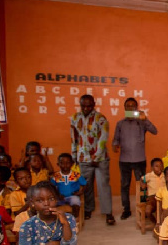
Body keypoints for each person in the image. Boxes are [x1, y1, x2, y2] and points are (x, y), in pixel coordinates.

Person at [70, 94, 115, 224]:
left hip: (100, 159)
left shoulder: (100, 118)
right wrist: (74, 156)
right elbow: (74, 138)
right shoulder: (74, 118)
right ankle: (88, 209)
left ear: (94, 104)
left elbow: (103, 138)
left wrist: (97, 156)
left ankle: (108, 213)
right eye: (83, 106)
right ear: (80, 105)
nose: (86, 108)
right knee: (86, 186)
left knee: (103, 186)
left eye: (89, 105)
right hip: (83, 158)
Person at [112, 97, 158, 221]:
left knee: (143, 186)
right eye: (128, 106)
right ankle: (126, 209)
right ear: (124, 108)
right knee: (125, 185)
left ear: (136, 108)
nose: (130, 108)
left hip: (139, 160)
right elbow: (116, 139)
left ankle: (144, 208)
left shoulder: (142, 122)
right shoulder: (120, 124)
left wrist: (145, 119)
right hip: (124, 160)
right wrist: (115, 145)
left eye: (133, 106)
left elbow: (155, 131)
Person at [51, 153, 86, 222]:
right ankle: (54, 219)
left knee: (76, 201)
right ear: (58, 164)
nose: (65, 165)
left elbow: (84, 184)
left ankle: (75, 218)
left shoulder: (76, 175)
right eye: (62, 163)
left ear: (72, 164)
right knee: (51, 204)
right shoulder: (56, 176)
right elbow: (51, 186)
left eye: (67, 163)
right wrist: (57, 195)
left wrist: (80, 192)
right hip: (60, 197)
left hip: (72, 196)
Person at [140, 158, 165, 224]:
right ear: (152, 168)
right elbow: (142, 179)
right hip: (152, 197)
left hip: (163, 197)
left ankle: (160, 225)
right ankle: (156, 224)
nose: (159, 168)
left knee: (160, 211)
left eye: (161, 165)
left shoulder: (165, 175)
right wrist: (143, 185)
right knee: (148, 211)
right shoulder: (149, 176)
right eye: (156, 166)